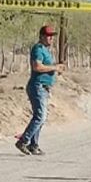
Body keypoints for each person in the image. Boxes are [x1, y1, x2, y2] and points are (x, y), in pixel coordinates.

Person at [15, 25, 65, 156]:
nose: (51, 39)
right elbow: (37, 66)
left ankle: (34, 145)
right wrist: (54, 67)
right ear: (42, 36)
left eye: (52, 36)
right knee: (40, 116)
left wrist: (56, 69)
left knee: (40, 117)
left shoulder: (46, 50)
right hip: (37, 86)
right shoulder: (38, 49)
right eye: (48, 36)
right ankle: (23, 141)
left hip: (44, 88)